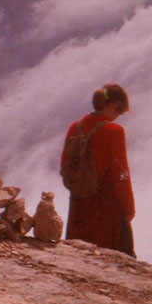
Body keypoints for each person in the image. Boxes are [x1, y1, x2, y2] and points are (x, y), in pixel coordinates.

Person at [61, 83, 136, 257]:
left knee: (79, 256)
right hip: (106, 208)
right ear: (112, 104)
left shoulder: (75, 126)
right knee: (120, 260)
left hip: (79, 205)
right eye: (119, 111)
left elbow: (65, 165)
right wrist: (129, 208)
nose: (117, 117)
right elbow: (121, 174)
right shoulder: (114, 131)